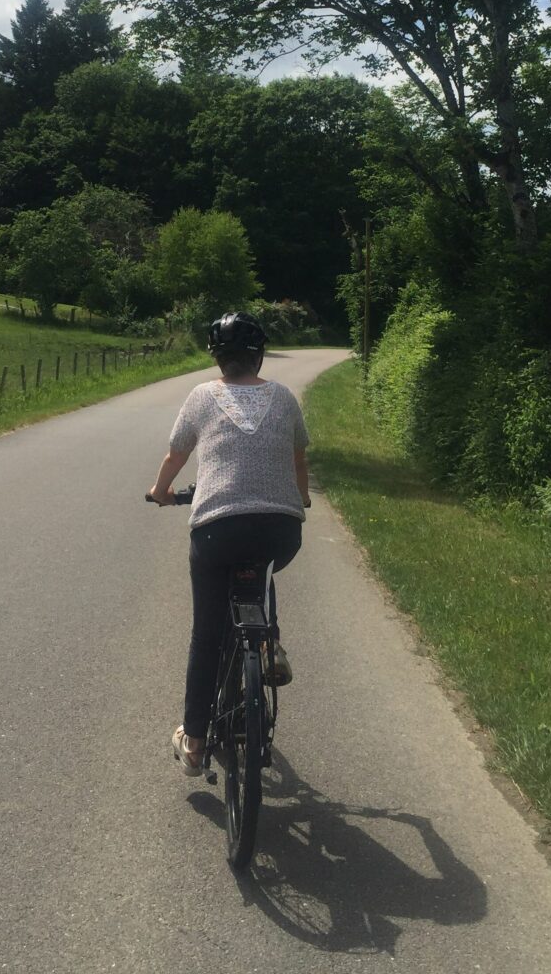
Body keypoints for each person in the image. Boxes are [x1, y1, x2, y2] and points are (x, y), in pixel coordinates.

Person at [148, 311, 311, 775]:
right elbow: (299, 458)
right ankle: (266, 643)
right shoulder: (283, 397)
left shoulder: (202, 397)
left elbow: (176, 455)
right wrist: (299, 497)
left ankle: (195, 743)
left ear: (217, 359)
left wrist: (161, 493)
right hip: (282, 529)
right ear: (258, 355)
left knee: (207, 633)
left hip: (217, 530)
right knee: (260, 567)